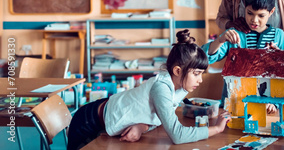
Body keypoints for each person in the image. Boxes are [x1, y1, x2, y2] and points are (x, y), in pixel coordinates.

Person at [67, 30, 230, 149]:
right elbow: (177, 136)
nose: (200, 80)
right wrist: (216, 129)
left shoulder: (180, 83)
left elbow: (157, 115)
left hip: (105, 114)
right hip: (88, 121)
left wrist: (141, 126)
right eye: (196, 74)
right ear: (178, 71)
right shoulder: (162, 88)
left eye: (201, 74)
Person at [203, 0, 284, 113]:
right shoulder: (233, 33)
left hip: (268, 107)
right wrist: (220, 40)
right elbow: (205, 57)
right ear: (244, 7)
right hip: (235, 104)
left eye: (261, 16)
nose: (254, 20)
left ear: (271, 12)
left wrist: (275, 103)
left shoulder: (279, 36)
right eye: (250, 13)